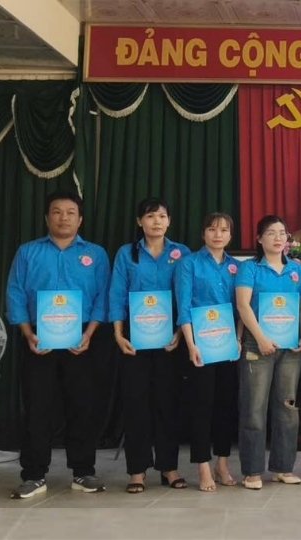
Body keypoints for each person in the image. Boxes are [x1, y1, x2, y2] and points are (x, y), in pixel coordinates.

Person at [6, 191, 110, 498]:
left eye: (69, 212)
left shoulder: (96, 254)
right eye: (56, 212)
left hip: (83, 340)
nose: (63, 217)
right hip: (39, 340)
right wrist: (27, 333)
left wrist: (89, 334)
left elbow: (103, 296)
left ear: (80, 219)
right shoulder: (28, 252)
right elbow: (15, 293)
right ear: (46, 217)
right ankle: (34, 475)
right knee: (38, 408)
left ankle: (83, 472)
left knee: (83, 407)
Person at [108, 197, 190, 493]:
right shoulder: (126, 254)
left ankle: (168, 467)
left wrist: (181, 333)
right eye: (150, 216)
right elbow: (117, 294)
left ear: (169, 221)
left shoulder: (181, 253)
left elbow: (186, 295)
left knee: (167, 404)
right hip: (134, 339)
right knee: (136, 404)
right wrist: (118, 334)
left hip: (171, 337)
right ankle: (137, 471)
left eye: (162, 216)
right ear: (139, 222)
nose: (157, 221)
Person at [235, 215, 301, 489]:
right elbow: (243, 306)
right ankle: (252, 470)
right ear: (259, 239)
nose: (278, 238)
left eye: (282, 233)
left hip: (290, 347)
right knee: (254, 408)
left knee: (287, 407)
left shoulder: (297, 270)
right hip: (257, 345)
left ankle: (283, 467)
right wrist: (261, 339)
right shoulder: (250, 269)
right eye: (271, 233)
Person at [174, 212, 242, 492]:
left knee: (226, 406)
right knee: (201, 406)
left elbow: (242, 307)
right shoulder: (188, 264)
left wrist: (238, 339)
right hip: (199, 345)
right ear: (203, 233)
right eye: (212, 229)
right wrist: (191, 345)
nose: (218, 234)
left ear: (230, 235)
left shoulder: (237, 267)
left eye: (224, 230)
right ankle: (203, 466)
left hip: (228, 345)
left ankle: (222, 463)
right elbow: (184, 305)